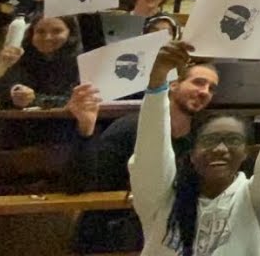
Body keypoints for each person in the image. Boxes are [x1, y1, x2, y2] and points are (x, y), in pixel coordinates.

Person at [129, 38, 260, 255]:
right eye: (209, 141)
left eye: (233, 140)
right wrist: (158, 80)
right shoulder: (161, 197)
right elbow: (150, 150)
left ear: (245, 154)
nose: (220, 149)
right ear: (191, 153)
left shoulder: (255, 200)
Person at [64, 62, 221, 251]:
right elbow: (81, 183)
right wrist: (86, 129)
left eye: (211, 88)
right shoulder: (128, 128)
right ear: (173, 84)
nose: (205, 92)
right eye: (198, 82)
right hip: (118, 231)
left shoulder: (202, 136)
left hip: (173, 234)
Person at [0, 14, 80, 109]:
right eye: (40, 32)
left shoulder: (81, 61)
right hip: (14, 126)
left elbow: (79, 100)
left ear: (70, 34)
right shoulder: (21, 59)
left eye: (57, 31)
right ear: (32, 34)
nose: (47, 37)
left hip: (63, 126)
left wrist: (34, 99)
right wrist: (1, 67)